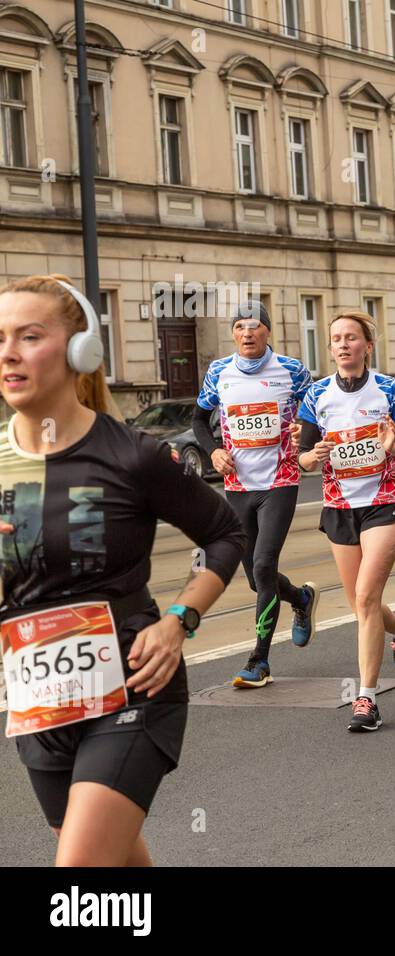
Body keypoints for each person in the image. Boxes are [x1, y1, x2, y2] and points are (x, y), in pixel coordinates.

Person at [0, 275, 245, 864]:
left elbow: (224, 533)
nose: (8, 351)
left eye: (29, 336)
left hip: (135, 685)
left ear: (80, 349)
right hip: (39, 700)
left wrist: (180, 619)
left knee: (81, 872)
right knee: (115, 865)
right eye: (0, 337)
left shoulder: (133, 454)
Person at [296, 311, 395, 732]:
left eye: (352, 338)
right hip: (339, 508)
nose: (344, 344)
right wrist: (311, 458)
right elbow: (303, 456)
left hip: (385, 502)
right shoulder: (316, 396)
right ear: (330, 348)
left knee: (367, 597)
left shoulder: (389, 390)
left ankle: (366, 699)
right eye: (336, 339)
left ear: (368, 346)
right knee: (360, 604)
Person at [192, 303, 317, 689]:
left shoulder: (292, 370)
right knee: (254, 578)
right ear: (233, 335)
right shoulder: (219, 372)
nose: (247, 333)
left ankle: (259, 661)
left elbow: (317, 412)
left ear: (267, 332)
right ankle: (299, 598)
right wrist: (213, 450)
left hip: (280, 481)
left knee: (264, 566)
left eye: (255, 326)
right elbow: (198, 419)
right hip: (238, 486)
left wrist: (304, 433)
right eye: (240, 327)